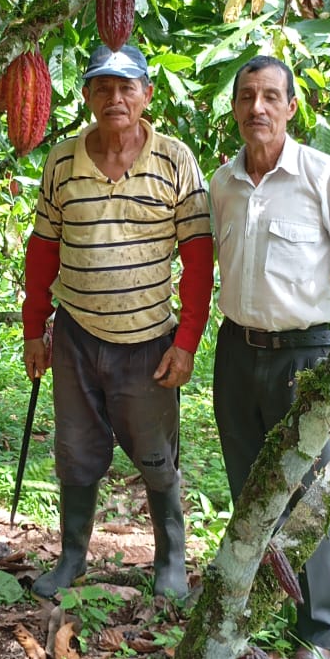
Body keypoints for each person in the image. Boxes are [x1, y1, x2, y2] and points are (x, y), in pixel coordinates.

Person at [211, 55, 330, 659]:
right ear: (235, 108)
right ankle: (257, 601)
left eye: (270, 96)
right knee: (249, 488)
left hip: (306, 355)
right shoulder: (223, 183)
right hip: (236, 352)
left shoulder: (324, 175)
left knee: (308, 492)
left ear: (290, 107)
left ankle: (321, 629)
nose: (257, 107)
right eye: (246, 96)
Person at [22, 43, 214, 600]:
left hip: (149, 342)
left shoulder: (175, 160)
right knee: (76, 451)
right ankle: (72, 558)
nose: (115, 98)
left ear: (147, 94)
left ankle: (170, 560)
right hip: (76, 337)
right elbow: (43, 250)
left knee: (156, 456)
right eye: (103, 87)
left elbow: (198, 258)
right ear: (86, 95)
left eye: (127, 87)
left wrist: (187, 341)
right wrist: (34, 330)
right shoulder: (62, 162)